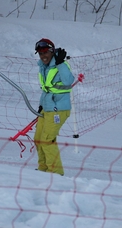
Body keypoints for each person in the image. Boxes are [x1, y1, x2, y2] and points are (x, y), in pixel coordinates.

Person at [33, 38, 75, 176]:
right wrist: (41, 106)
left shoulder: (60, 64)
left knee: (47, 140)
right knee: (39, 139)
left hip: (59, 109)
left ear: (51, 51)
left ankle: (55, 173)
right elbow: (47, 89)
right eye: (40, 53)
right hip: (47, 108)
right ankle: (43, 170)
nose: (43, 56)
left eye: (45, 52)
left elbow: (68, 81)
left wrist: (60, 63)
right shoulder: (43, 67)